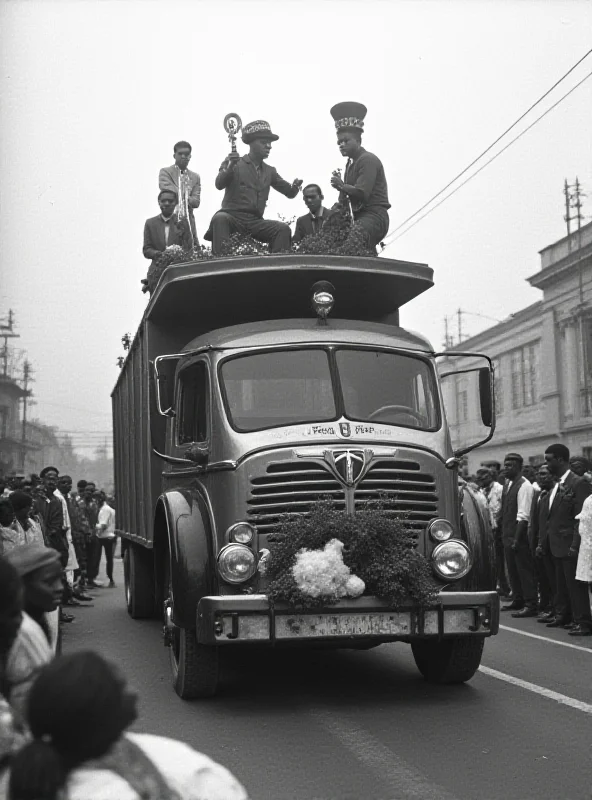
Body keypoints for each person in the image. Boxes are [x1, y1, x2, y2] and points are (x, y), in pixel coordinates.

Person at [2, 651, 249, 800]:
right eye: (121, 688)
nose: (135, 693)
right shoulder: (184, 767)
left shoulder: (19, 777)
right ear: (97, 715)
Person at [206, 120, 302, 255]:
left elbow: (289, 193)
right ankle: (220, 266)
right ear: (251, 143)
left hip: (255, 222)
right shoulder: (233, 162)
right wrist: (229, 167)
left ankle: (277, 270)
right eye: (264, 142)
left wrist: (296, 187)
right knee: (220, 218)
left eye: (270, 143)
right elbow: (219, 184)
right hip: (232, 218)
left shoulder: (270, 171)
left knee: (282, 229)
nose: (269, 146)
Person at [3, 547, 62, 718]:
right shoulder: (21, 632)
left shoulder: (44, 619)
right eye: (49, 582)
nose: (60, 588)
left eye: (61, 579)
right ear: (20, 587)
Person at [329, 101, 390, 252]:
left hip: (374, 217)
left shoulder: (367, 160)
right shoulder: (350, 165)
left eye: (346, 141)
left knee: (353, 243)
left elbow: (362, 193)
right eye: (339, 142)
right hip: (358, 218)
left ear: (358, 141)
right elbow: (345, 202)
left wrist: (342, 186)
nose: (341, 145)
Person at [544, 443, 592, 636]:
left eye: (549, 460)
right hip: (557, 543)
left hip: (571, 543)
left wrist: (575, 544)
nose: (546, 464)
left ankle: (583, 622)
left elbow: (581, 517)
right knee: (564, 586)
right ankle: (572, 617)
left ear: (560, 460)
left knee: (576, 586)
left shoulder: (578, 482)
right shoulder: (559, 483)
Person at [500, 453, 537, 617]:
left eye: (510, 465)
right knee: (513, 571)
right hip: (507, 535)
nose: (506, 468)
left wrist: (516, 539)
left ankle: (531, 603)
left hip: (519, 537)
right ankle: (518, 599)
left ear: (519, 467)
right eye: (505, 464)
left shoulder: (525, 485)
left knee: (524, 571)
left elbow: (523, 515)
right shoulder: (508, 484)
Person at [143, 190, 193, 289]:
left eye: (170, 201)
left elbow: (189, 248)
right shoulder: (150, 223)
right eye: (163, 201)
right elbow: (146, 249)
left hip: (178, 270)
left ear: (176, 203)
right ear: (159, 202)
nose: (167, 203)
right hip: (157, 271)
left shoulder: (182, 222)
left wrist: (177, 254)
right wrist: (158, 254)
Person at [159, 140, 201, 240]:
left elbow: (196, 202)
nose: (183, 156)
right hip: (170, 218)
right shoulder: (165, 172)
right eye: (180, 154)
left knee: (192, 250)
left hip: (189, 222)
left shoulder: (195, 177)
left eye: (186, 154)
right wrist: (186, 194)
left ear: (190, 156)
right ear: (174, 155)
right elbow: (169, 193)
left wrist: (181, 195)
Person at [529, 464, 556, 620]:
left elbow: (548, 523)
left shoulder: (553, 494)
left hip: (548, 543)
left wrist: (541, 543)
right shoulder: (539, 494)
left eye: (544, 474)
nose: (540, 477)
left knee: (553, 580)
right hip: (538, 542)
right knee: (543, 578)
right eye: (539, 474)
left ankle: (555, 609)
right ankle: (547, 606)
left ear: (553, 476)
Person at [475, 467, 507, 596]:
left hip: (499, 529)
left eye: (483, 478)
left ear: (490, 477)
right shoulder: (482, 491)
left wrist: (496, 525)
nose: (480, 481)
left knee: (501, 560)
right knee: (493, 559)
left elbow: (501, 509)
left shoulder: (499, 489)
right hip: (488, 529)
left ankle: (506, 587)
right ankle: (498, 585)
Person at [94, 491, 117, 587]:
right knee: (109, 559)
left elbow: (103, 525)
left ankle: (110, 579)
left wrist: (93, 528)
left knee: (104, 558)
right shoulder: (106, 509)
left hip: (105, 537)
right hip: (109, 537)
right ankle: (110, 579)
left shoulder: (105, 510)